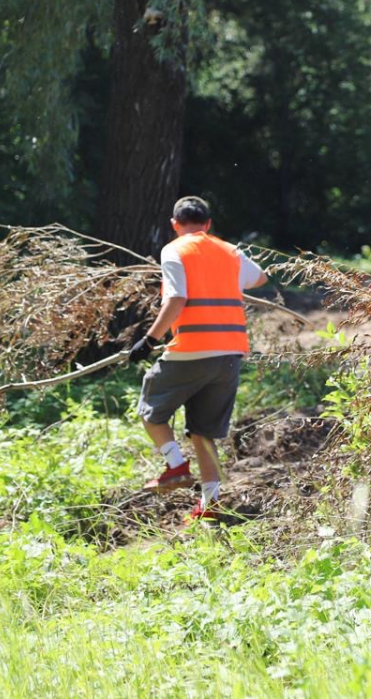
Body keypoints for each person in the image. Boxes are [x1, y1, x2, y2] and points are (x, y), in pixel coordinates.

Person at [129, 196, 268, 522]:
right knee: (203, 433)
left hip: (193, 348)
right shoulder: (229, 250)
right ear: (208, 224)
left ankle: (176, 466)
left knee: (150, 408)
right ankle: (211, 504)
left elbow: (177, 298)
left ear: (175, 225)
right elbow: (260, 277)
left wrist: (149, 340)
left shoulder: (174, 249)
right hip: (230, 353)